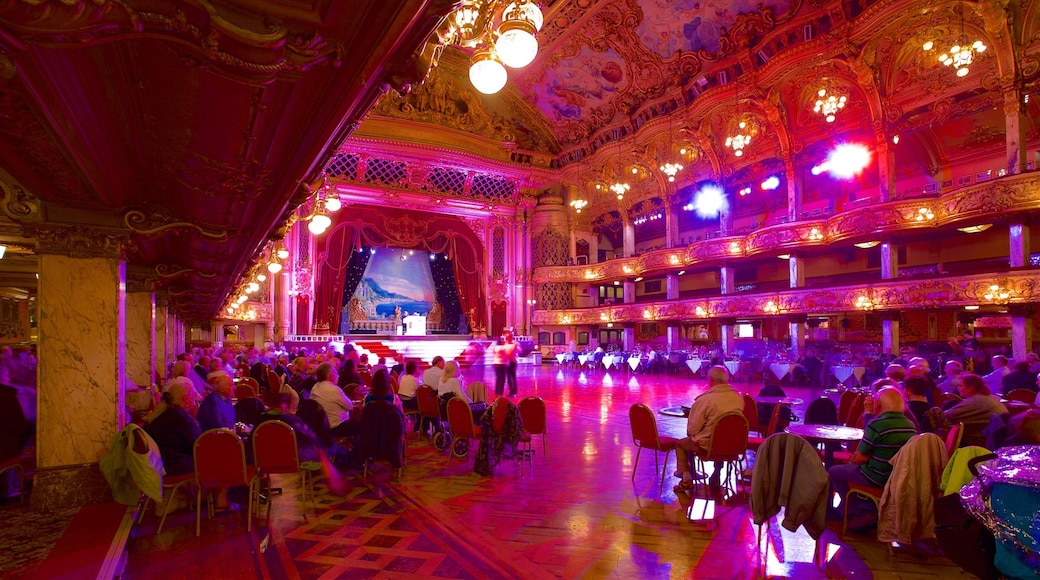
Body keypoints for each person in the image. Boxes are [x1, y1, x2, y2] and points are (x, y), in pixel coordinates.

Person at [827, 388, 917, 526]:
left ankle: (851, 511)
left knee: (834, 471)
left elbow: (860, 458)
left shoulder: (877, 425)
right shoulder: (910, 426)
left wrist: (852, 458)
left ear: (878, 404)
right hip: (896, 477)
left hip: (875, 477)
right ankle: (863, 509)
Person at [673, 366, 744, 495]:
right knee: (721, 436)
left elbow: (692, 430)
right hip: (734, 446)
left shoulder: (705, 400)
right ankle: (717, 472)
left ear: (710, 379)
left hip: (709, 447)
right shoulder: (738, 398)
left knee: (681, 444)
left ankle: (686, 479)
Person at [144, 382, 201, 476]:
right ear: (185, 399)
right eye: (193, 396)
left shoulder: (159, 413)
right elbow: (197, 443)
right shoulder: (181, 418)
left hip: (156, 463)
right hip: (172, 465)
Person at [945, 373, 1008, 447]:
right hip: (994, 442)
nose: (958, 388)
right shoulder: (985, 398)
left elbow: (948, 415)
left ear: (971, 387)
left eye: (960, 386)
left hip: (982, 445)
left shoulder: (977, 400)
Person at [310, 362, 355, 437]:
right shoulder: (334, 389)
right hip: (335, 427)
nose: (338, 375)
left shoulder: (315, 387)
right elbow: (350, 406)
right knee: (362, 424)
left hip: (320, 426)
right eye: (335, 372)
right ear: (331, 376)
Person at [503, 332, 519, 397]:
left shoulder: (515, 343)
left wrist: (515, 350)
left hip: (513, 362)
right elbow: (504, 352)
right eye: (507, 337)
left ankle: (514, 392)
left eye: (509, 337)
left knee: (513, 377)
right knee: (509, 378)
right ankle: (511, 392)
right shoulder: (505, 344)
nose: (508, 338)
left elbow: (519, 351)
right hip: (507, 362)